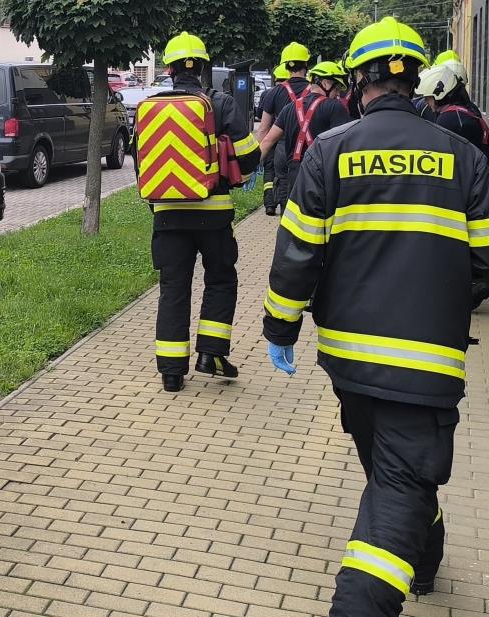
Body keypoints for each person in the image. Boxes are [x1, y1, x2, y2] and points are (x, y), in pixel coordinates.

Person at [261, 17, 489, 617]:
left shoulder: (328, 153)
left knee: (395, 473)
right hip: (427, 362)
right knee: (402, 481)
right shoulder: (460, 156)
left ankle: (421, 562)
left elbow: (296, 255)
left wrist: (280, 329)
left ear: (358, 81)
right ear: (414, 80)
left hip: (348, 362)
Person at [143, 32, 260, 391]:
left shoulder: (151, 106)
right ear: (204, 67)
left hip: (168, 215)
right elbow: (249, 156)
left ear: (169, 69)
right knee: (221, 280)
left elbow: (141, 162)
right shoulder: (221, 103)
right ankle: (211, 354)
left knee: (173, 289)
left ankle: (171, 373)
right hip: (214, 213)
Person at [258, 57, 351, 215]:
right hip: (322, 180)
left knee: (290, 222)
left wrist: (247, 170)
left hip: (294, 178)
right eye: (336, 89)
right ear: (326, 83)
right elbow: (346, 146)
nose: (337, 94)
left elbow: (267, 140)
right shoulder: (335, 108)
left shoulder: (289, 108)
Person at [256, 42, 312, 215]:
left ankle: (286, 222)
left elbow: (263, 129)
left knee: (284, 187)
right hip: (310, 147)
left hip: (282, 148)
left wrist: (256, 159)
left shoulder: (274, 93)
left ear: (286, 66)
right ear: (306, 64)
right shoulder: (314, 90)